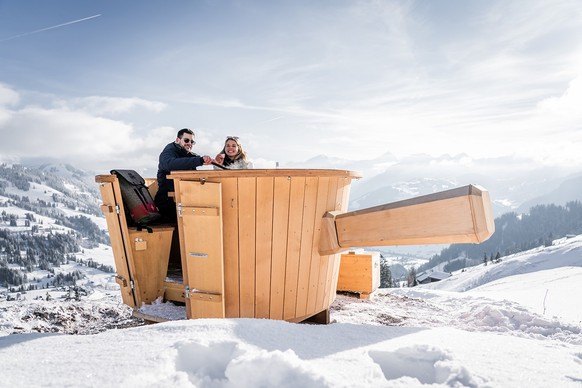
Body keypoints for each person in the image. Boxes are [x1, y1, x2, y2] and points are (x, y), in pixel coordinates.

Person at [154, 128, 213, 222]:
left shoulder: (187, 154)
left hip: (183, 198)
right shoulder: (169, 151)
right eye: (186, 140)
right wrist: (199, 160)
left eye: (192, 142)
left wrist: (213, 162)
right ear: (178, 140)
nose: (189, 143)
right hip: (167, 201)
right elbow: (169, 164)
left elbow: (194, 159)